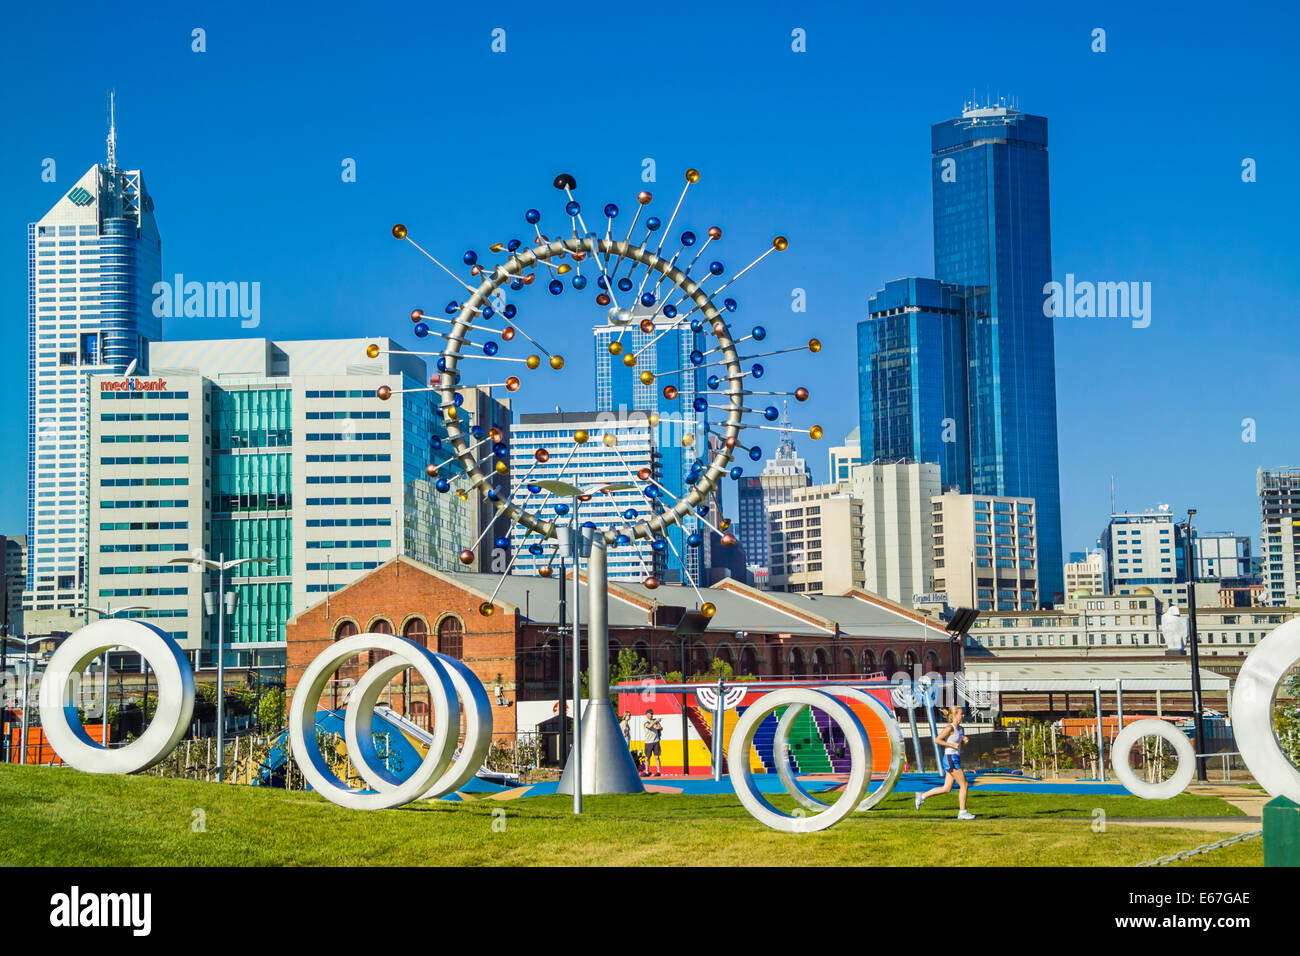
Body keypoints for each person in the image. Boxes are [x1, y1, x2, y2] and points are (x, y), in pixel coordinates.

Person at [915, 706, 975, 820]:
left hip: (955, 757)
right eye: (961, 714)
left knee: (946, 788)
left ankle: (922, 796)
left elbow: (960, 748)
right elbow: (937, 740)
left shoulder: (961, 729)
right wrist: (952, 745)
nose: (963, 716)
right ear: (955, 715)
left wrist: (964, 742)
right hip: (950, 758)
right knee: (964, 785)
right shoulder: (949, 728)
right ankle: (962, 812)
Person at [643, 709, 664, 777]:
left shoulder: (655, 721)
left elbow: (660, 728)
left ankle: (658, 771)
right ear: (647, 714)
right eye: (650, 714)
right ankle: (647, 771)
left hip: (656, 741)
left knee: (657, 757)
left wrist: (659, 727)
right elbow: (649, 726)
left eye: (652, 714)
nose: (651, 715)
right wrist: (655, 721)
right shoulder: (645, 721)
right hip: (648, 742)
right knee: (647, 757)